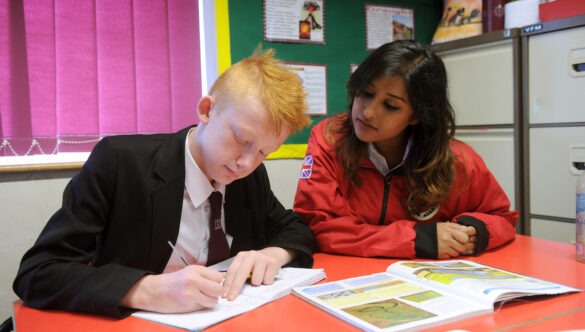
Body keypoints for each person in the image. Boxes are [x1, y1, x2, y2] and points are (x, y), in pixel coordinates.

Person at [13, 48, 315, 318]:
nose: (246, 163)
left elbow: (295, 229)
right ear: (207, 110)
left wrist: (271, 255)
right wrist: (147, 290)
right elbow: (38, 272)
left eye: (263, 152)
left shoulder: (248, 177)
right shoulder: (120, 162)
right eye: (241, 139)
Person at [293, 40, 517, 260]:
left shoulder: (456, 159)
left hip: (428, 282)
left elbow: (500, 217)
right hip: (348, 276)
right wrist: (418, 240)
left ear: (417, 115)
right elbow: (320, 227)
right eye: (365, 93)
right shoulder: (329, 139)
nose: (368, 112)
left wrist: (472, 233)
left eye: (390, 106)